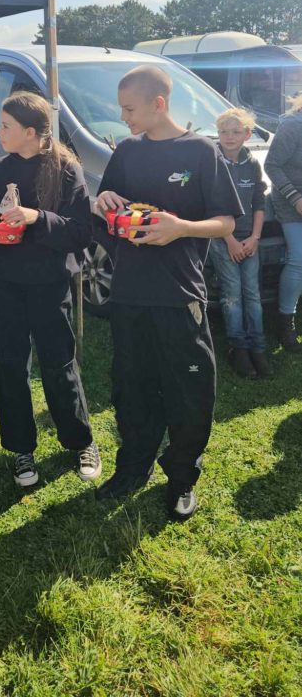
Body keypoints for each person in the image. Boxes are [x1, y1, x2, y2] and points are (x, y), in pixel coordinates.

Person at [95, 65, 242, 522]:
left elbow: (226, 222)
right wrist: (101, 204)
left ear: (159, 104)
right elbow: (105, 205)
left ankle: (181, 478)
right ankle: (132, 468)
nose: (124, 117)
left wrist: (181, 229)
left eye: (130, 108)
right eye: (121, 108)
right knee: (131, 388)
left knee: (189, 390)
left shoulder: (200, 151)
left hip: (180, 295)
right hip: (128, 294)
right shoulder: (126, 153)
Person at [0, 91, 101, 488]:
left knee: (59, 362)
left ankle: (79, 440)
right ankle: (21, 449)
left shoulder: (67, 170)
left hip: (50, 285)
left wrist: (37, 217)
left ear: (30, 132)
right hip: (4, 284)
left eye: (6, 127)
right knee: (11, 366)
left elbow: (82, 231)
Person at [209, 108, 269, 378]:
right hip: (224, 240)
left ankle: (258, 346)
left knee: (252, 294)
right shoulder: (212, 161)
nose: (229, 137)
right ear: (217, 133)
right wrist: (230, 240)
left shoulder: (252, 163)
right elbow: (207, 206)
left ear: (247, 134)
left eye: (235, 132)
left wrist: (254, 238)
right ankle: (238, 347)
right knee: (232, 295)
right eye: (224, 131)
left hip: (248, 240)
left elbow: (259, 202)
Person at [265, 94, 302, 351]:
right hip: (290, 202)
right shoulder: (292, 126)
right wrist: (296, 198)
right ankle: (285, 321)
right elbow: (272, 165)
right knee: (299, 259)